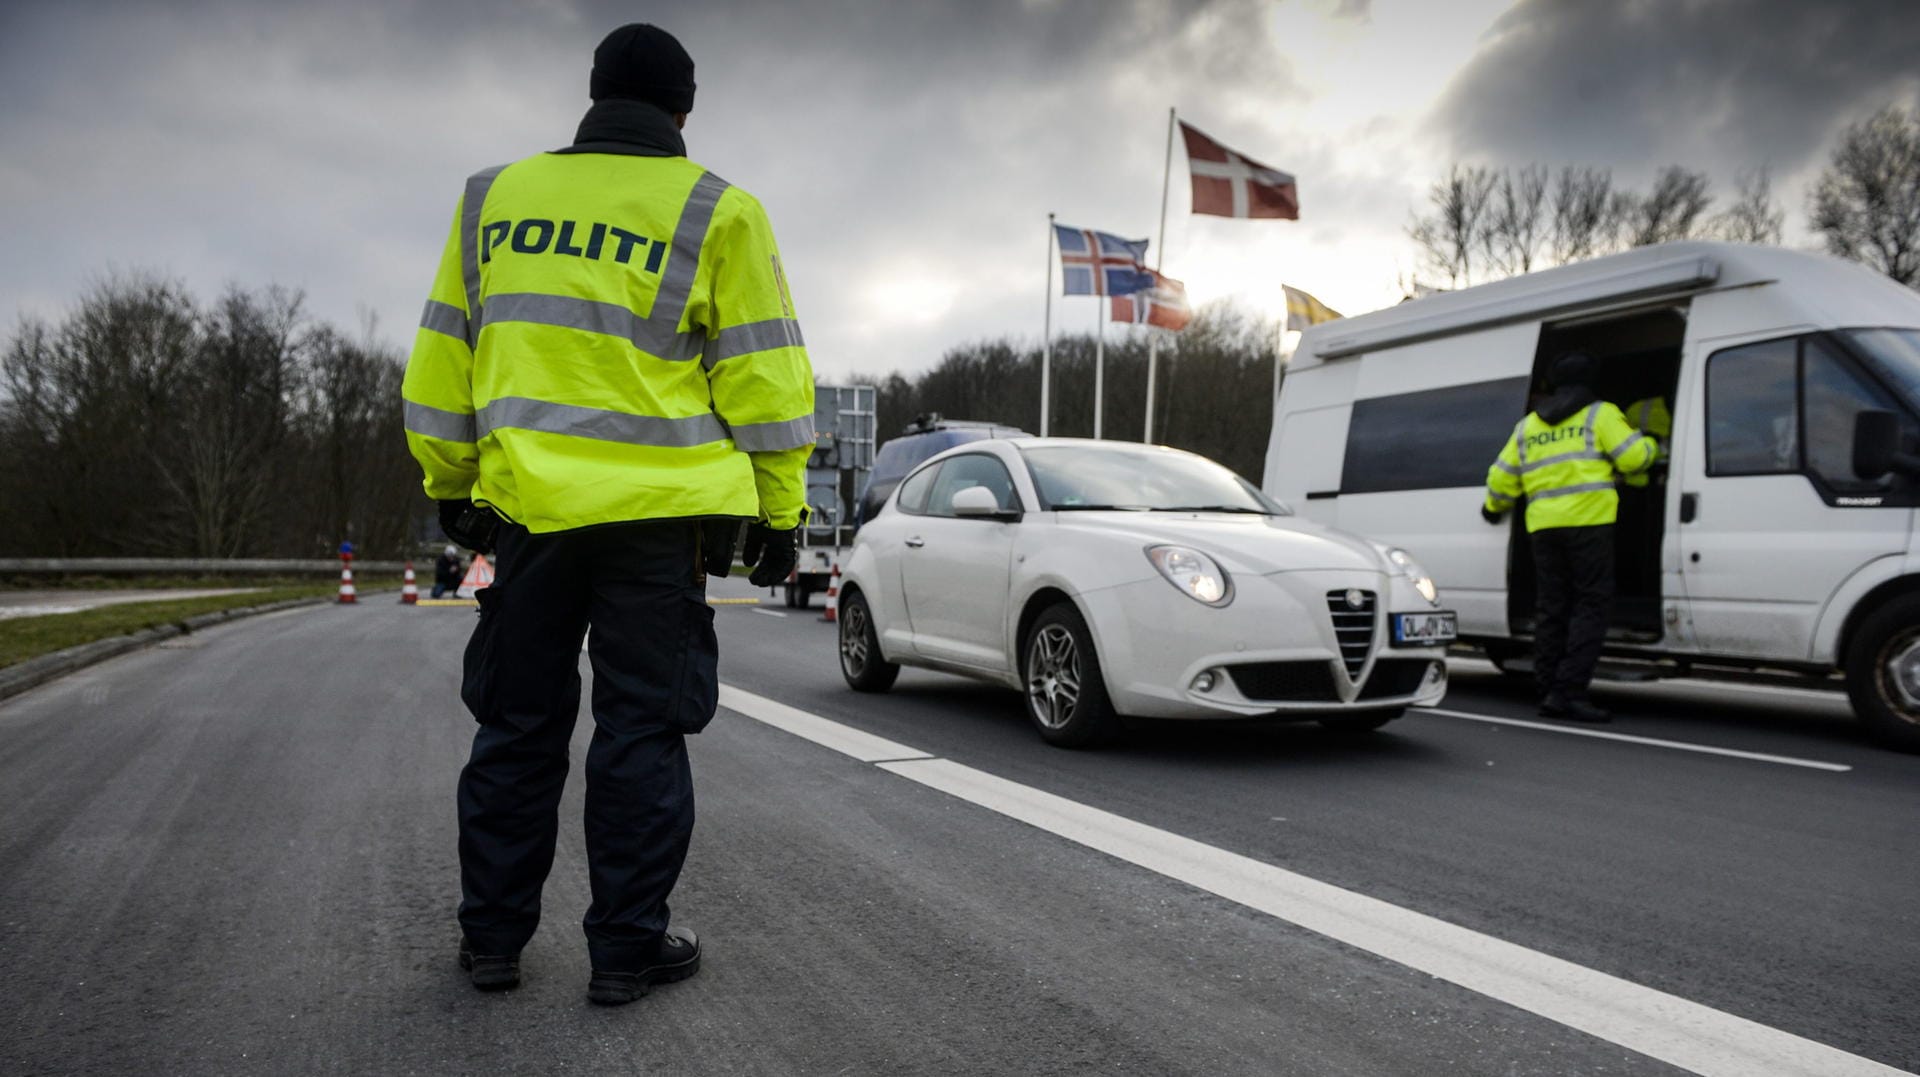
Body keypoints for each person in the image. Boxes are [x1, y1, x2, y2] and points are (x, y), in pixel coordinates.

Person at [400, 23, 815, 1005]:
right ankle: (626, 949)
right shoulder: (719, 209)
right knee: (641, 730)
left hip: (530, 516)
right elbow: (766, 379)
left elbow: (440, 366)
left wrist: (453, 485)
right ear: (683, 112)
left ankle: (493, 942)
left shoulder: (490, 201)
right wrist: (779, 511)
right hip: (660, 524)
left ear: (591, 97)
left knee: (516, 723)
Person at [1482, 353, 1657, 723]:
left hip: (1543, 529)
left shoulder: (1529, 426)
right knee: (1590, 607)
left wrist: (1493, 508)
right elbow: (1633, 459)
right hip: (1590, 525)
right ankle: (1569, 692)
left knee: (1552, 609)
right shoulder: (1600, 414)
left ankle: (1547, 688)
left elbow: (1501, 478)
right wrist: (1652, 446)